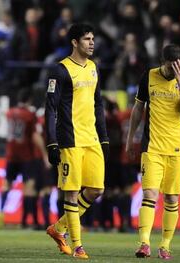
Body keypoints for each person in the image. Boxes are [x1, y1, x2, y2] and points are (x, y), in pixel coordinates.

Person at [126, 44, 180, 259]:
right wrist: (130, 138)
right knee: (149, 194)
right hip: (152, 147)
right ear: (162, 62)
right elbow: (138, 109)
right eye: (170, 66)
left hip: (176, 148)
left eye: (177, 65)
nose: (173, 69)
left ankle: (165, 245)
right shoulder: (148, 77)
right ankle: (144, 243)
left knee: (172, 198)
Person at [45, 23, 109, 259]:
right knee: (71, 193)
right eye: (86, 39)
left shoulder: (93, 68)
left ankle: (58, 228)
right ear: (74, 42)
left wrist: (103, 137)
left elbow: (98, 104)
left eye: (93, 39)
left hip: (91, 138)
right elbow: (50, 108)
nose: (91, 43)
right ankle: (77, 246)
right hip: (69, 139)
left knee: (96, 190)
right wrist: (52, 142)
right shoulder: (60, 70)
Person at [0, 88, 44, 229]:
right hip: (26, 156)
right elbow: (35, 135)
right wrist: (45, 153)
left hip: (11, 155)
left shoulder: (10, 113)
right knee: (29, 188)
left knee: (6, 185)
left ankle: (0, 215)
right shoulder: (30, 115)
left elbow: (5, 114)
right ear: (29, 99)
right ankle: (27, 221)